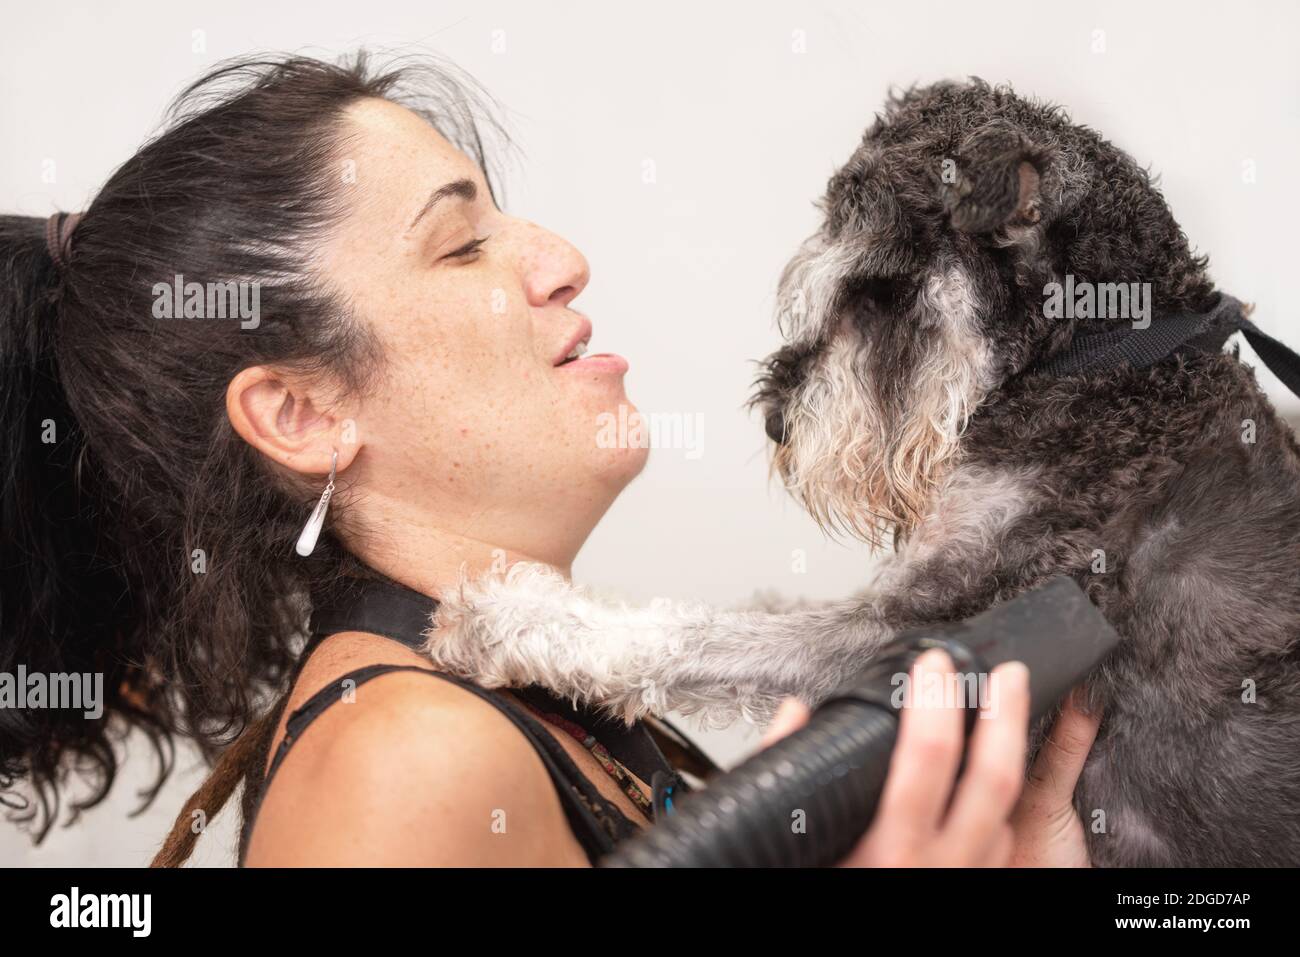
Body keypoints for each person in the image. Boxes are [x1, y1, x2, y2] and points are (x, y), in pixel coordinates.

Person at [0, 52, 1100, 867]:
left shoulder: (534, 714)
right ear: (298, 412)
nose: (562, 262)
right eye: (461, 245)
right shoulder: (405, 766)